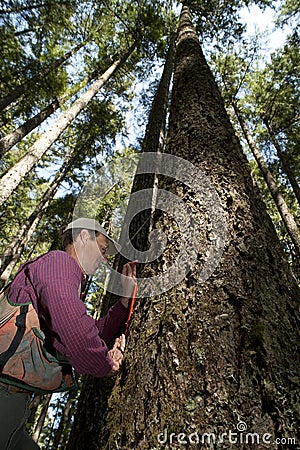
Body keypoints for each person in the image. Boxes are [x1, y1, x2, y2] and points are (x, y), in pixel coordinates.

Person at [0, 217, 137, 450]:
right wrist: (105, 364)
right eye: (103, 250)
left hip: (12, 396)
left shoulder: (63, 276)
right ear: (84, 237)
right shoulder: (59, 262)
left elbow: (87, 332)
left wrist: (123, 303)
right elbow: (74, 330)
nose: (104, 259)